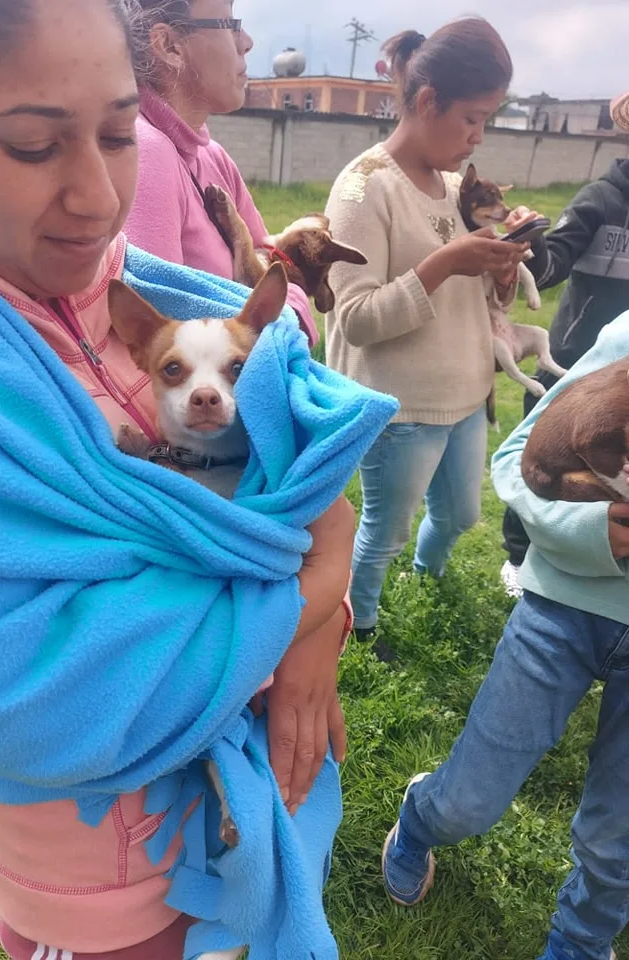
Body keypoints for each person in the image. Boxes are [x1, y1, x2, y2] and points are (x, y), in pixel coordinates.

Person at [0, 1, 373, 958]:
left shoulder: (143, 293)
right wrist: (315, 595)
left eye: (120, 134)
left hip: (227, 814)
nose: (97, 195)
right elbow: (49, 698)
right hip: (93, 869)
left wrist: (316, 556)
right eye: (35, 145)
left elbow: (311, 459)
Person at [381, 311, 629, 960]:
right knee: (470, 800)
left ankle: (580, 940)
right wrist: (591, 535)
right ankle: (422, 815)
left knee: (617, 839)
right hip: (566, 598)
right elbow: (522, 455)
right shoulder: (626, 336)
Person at [323, 18, 528, 638]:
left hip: (465, 395)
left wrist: (501, 262)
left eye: (488, 119)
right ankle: (360, 628)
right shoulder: (363, 188)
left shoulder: (452, 186)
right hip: (400, 405)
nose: (478, 136)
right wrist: (444, 263)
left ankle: (428, 576)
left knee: (464, 515)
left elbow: (474, 295)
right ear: (428, 100)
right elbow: (353, 320)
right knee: (383, 530)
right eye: (471, 118)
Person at [122, 0, 319, 347]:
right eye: (230, 24)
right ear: (169, 46)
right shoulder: (148, 152)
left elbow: (274, 265)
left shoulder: (211, 156)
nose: (246, 42)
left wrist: (285, 304)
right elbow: (161, 339)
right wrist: (286, 312)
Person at [499, 89, 629, 599]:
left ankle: (597, 560)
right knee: (542, 465)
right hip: (571, 369)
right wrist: (529, 245)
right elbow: (549, 271)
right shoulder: (600, 199)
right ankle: (519, 557)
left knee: (606, 477)